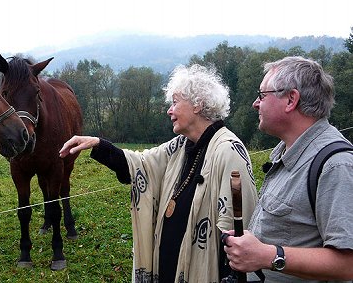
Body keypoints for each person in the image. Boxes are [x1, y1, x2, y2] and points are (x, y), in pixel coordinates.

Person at [59, 64, 258, 282]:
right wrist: (98, 145)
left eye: (175, 102)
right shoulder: (181, 146)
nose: (169, 111)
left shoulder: (228, 150)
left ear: (198, 104)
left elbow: (236, 231)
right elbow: (141, 164)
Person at [223, 56, 353, 282]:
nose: (256, 103)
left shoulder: (336, 164)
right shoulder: (287, 151)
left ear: (291, 99)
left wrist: (269, 255)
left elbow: (347, 264)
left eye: (262, 95)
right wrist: (252, 245)